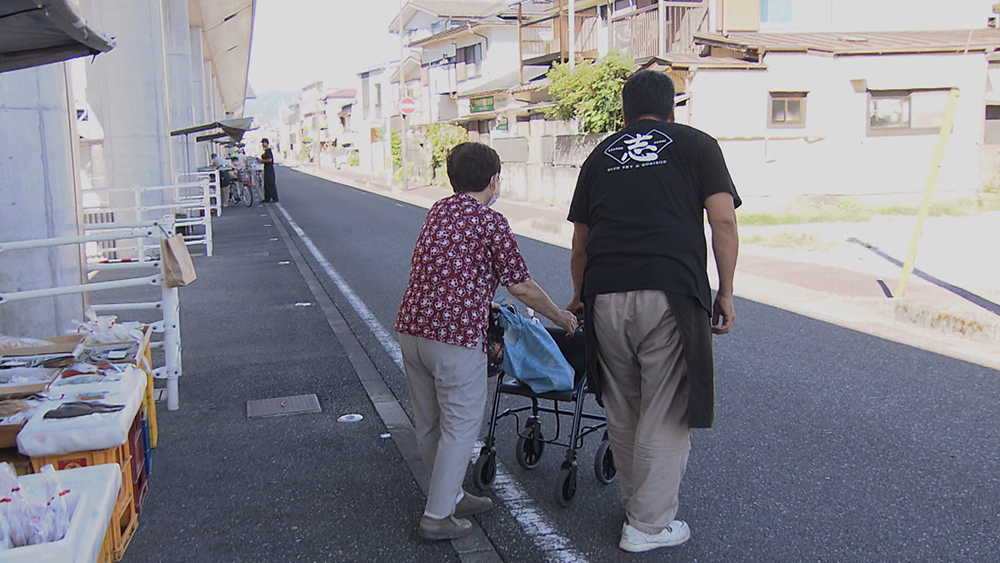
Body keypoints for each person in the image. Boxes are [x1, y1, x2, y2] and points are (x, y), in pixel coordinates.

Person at [566, 70, 740, 553]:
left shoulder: (600, 156)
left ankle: (637, 506)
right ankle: (648, 525)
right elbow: (722, 219)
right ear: (671, 110)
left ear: (624, 112)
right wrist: (725, 291)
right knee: (667, 407)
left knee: (623, 406)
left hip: (604, 293)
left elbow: (580, 241)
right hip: (670, 290)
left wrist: (579, 293)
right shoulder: (697, 145)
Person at [395, 142, 579, 541]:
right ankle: (436, 517)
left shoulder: (438, 210)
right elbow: (522, 287)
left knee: (430, 424)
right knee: (460, 426)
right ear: (494, 180)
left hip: (412, 329)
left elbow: (451, 270)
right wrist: (560, 316)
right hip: (455, 337)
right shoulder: (489, 221)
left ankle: (449, 496)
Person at [260, 138, 278, 203]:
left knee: (270, 183)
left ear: (267, 143)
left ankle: (274, 198)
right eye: (262, 143)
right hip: (266, 168)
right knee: (266, 184)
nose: (262, 144)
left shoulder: (268, 151)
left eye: (264, 143)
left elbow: (270, 160)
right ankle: (267, 198)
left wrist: (262, 161)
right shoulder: (265, 151)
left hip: (269, 169)